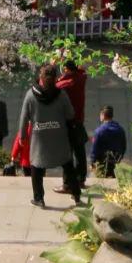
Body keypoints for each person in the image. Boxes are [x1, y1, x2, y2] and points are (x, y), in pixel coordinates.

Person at [18, 62, 80, 207]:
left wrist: (22, 137)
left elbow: (23, 118)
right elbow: (70, 114)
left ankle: (39, 198)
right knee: (68, 165)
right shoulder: (61, 95)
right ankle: (76, 194)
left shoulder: (30, 96)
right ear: (55, 78)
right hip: (59, 137)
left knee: (37, 167)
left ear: (41, 77)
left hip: (40, 139)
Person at [57, 58, 88, 191]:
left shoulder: (67, 83)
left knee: (67, 154)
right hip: (79, 121)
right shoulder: (81, 78)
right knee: (80, 152)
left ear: (66, 69)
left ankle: (68, 184)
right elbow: (82, 71)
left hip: (69, 123)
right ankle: (81, 179)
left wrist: (60, 76)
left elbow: (50, 85)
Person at [90, 106, 128, 176]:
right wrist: (120, 157)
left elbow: (95, 149)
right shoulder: (120, 129)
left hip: (102, 164)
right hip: (115, 162)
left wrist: (92, 163)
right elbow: (124, 146)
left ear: (103, 115)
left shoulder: (99, 131)